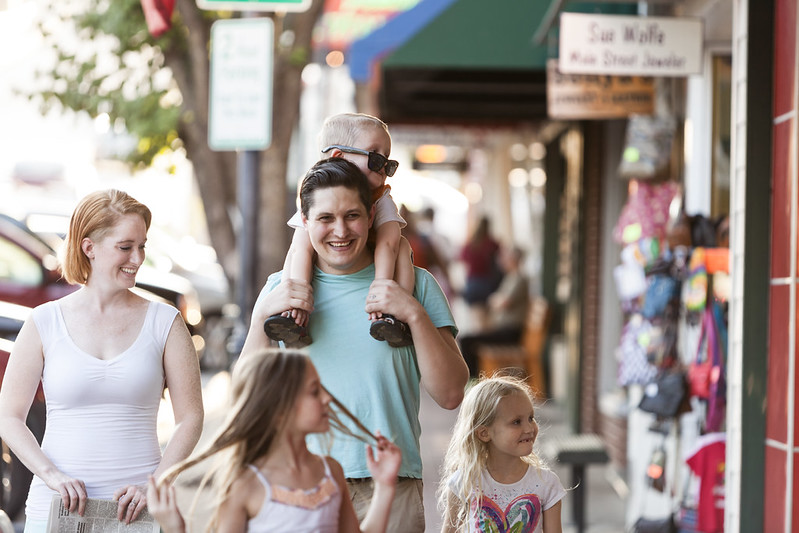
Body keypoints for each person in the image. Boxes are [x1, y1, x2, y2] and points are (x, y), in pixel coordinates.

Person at [240, 158, 469, 532]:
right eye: (326, 218)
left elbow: (450, 393)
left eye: (352, 216)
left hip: (392, 483)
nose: (340, 231)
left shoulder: (415, 285)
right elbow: (246, 399)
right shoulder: (282, 293)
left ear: (370, 215)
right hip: (297, 486)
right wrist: (259, 318)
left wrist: (412, 313)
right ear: (305, 222)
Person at [0, 189, 204, 532]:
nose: (137, 259)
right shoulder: (44, 321)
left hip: (137, 510)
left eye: (142, 246)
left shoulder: (165, 322)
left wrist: (155, 483)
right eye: (126, 247)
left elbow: (191, 417)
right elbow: (9, 416)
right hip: (56, 509)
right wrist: (51, 475)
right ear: (88, 247)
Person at [146, 348, 402, 532]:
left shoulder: (330, 472)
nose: (327, 399)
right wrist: (174, 529)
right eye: (314, 391)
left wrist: (385, 486)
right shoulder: (245, 485)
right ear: (280, 410)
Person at [264, 113, 415, 348]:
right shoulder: (319, 190)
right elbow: (301, 248)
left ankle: (395, 315)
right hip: (324, 261)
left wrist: (381, 287)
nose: (383, 167)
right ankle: (291, 315)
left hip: (373, 256)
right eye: (375, 159)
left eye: (388, 162)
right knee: (297, 248)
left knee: (403, 246)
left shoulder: (381, 195)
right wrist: (299, 294)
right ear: (339, 157)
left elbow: (389, 242)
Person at [438, 373, 565, 533]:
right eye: (516, 422)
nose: (529, 428)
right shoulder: (464, 482)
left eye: (531, 418)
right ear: (484, 433)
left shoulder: (547, 484)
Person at [458, 246, 529, 377]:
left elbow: (503, 302)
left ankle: (473, 379)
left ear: (514, 259)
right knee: (467, 338)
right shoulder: (510, 277)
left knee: (467, 340)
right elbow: (495, 300)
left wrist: (497, 301)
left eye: (506, 257)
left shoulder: (519, 278)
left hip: (510, 332)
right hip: (502, 329)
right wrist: (497, 300)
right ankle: (474, 378)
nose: (503, 261)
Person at [459, 216, 503, 329]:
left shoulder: (470, 244)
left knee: (477, 320)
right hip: (488, 283)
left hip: (473, 284)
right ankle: (481, 341)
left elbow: (463, 261)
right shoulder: (493, 244)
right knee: (487, 321)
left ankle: (478, 341)